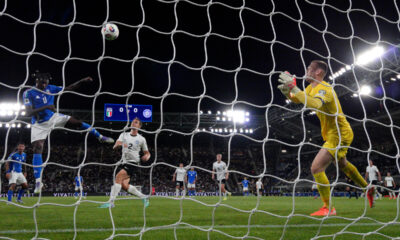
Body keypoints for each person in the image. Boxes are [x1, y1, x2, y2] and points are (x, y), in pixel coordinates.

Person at [277, 60, 372, 216]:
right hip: (332, 134)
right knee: (343, 165)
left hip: (339, 133)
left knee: (316, 168)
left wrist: (294, 87)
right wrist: (288, 91)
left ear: (318, 72)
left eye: (309, 69)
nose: (306, 71)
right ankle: (367, 188)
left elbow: (314, 104)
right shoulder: (310, 88)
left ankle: (328, 208)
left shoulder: (325, 89)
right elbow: (298, 99)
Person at [23, 71, 114, 194]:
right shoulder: (28, 93)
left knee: (76, 122)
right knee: (38, 148)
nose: (44, 85)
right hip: (39, 124)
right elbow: (28, 113)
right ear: (37, 81)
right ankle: (38, 182)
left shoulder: (51, 88)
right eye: (42, 83)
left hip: (53, 117)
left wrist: (82, 81)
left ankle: (100, 136)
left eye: (46, 83)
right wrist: (46, 107)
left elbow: (69, 88)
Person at [99, 118, 150, 208]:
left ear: (139, 126)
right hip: (124, 162)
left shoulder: (142, 139)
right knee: (124, 186)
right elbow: (115, 146)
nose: (133, 123)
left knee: (118, 177)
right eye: (133, 122)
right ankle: (144, 197)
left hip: (133, 162)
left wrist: (147, 157)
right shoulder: (124, 135)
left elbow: (147, 153)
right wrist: (119, 145)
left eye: (136, 122)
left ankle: (111, 202)